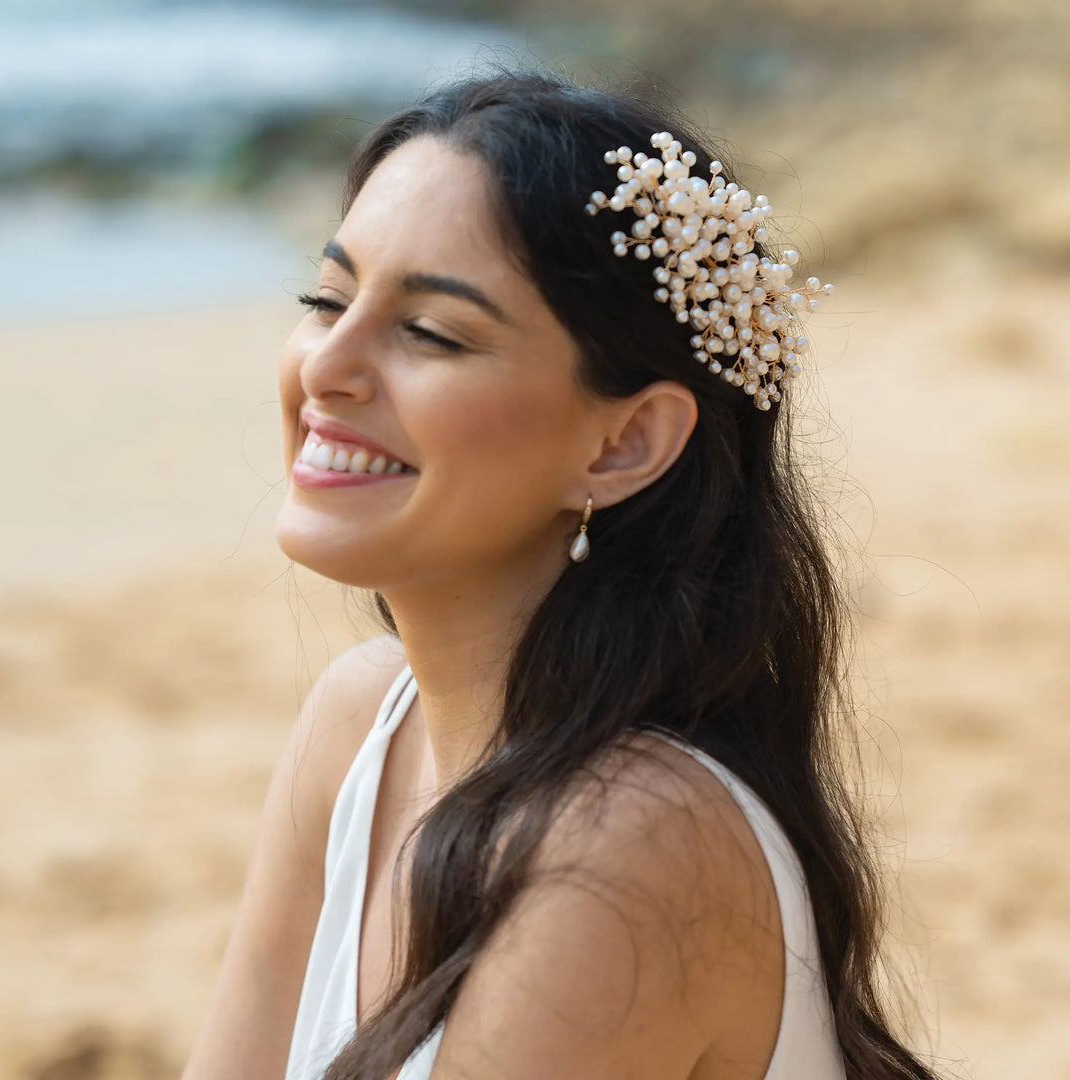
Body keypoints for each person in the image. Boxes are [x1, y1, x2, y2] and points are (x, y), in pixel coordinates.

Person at [181, 70, 943, 1080]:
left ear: (624, 444)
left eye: (431, 333)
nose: (328, 366)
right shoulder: (362, 723)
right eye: (327, 298)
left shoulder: (632, 839)